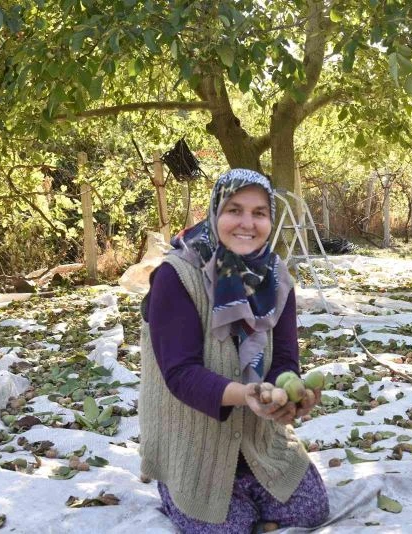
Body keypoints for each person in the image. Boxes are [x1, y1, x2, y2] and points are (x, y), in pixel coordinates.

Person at [138, 169, 329, 533]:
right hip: (195, 447)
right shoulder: (176, 276)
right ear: (214, 212)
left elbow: (286, 359)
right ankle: (174, 489)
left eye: (259, 213)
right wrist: (248, 395)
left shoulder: (276, 275)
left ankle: (252, 492)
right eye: (234, 210)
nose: (247, 223)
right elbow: (181, 374)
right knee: (229, 527)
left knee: (311, 510)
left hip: (258, 440)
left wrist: (286, 397)